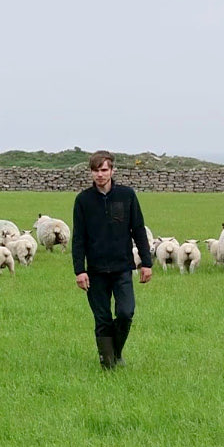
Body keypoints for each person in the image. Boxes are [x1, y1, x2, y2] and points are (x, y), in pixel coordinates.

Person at [71, 150, 153, 369]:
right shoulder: (83, 200)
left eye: (104, 170)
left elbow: (138, 230)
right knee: (103, 318)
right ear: (91, 173)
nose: (100, 175)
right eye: (96, 171)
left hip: (122, 267)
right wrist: (79, 270)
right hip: (96, 270)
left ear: (112, 170)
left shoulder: (127, 196)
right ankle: (108, 363)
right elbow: (78, 238)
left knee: (126, 313)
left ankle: (115, 352)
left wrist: (146, 263)